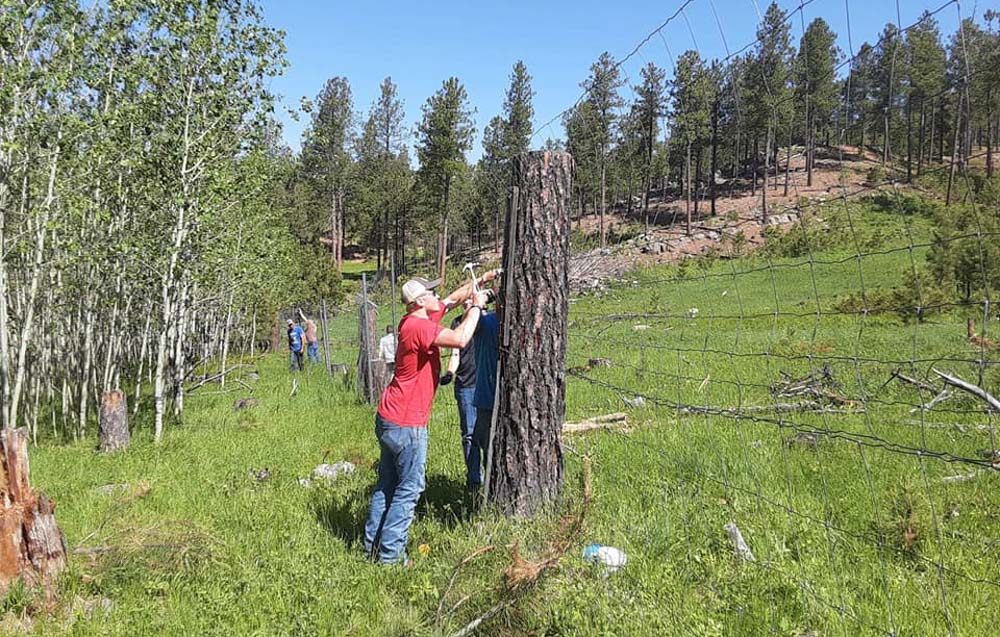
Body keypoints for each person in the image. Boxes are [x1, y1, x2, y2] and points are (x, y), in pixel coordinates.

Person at [364, 271, 496, 565]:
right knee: (409, 488)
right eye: (432, 293)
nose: (439, 297)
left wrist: (482, 280)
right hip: (407, 423)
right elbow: (461, 339)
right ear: (420, 300)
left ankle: (371, 547)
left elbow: (451, 298)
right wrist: (476, 306)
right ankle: (390, 558)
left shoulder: (416, 320)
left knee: (387, 485)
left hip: (390, 417)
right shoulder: (420, 328)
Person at [440, 311, 479, 489]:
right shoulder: (457, 323)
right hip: (466, 385)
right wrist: (450, 373)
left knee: (490, 435)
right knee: (469, 434)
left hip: (487, 384)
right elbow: (455, 353)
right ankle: (474, 481)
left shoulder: (488, 319)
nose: (468, 303)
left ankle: (492, 480)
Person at [471, 307, 500, 487]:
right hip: (488, 399)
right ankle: (490, 488)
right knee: (488, 448)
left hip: (493, 398)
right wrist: (475, 305)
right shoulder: (487, 322)